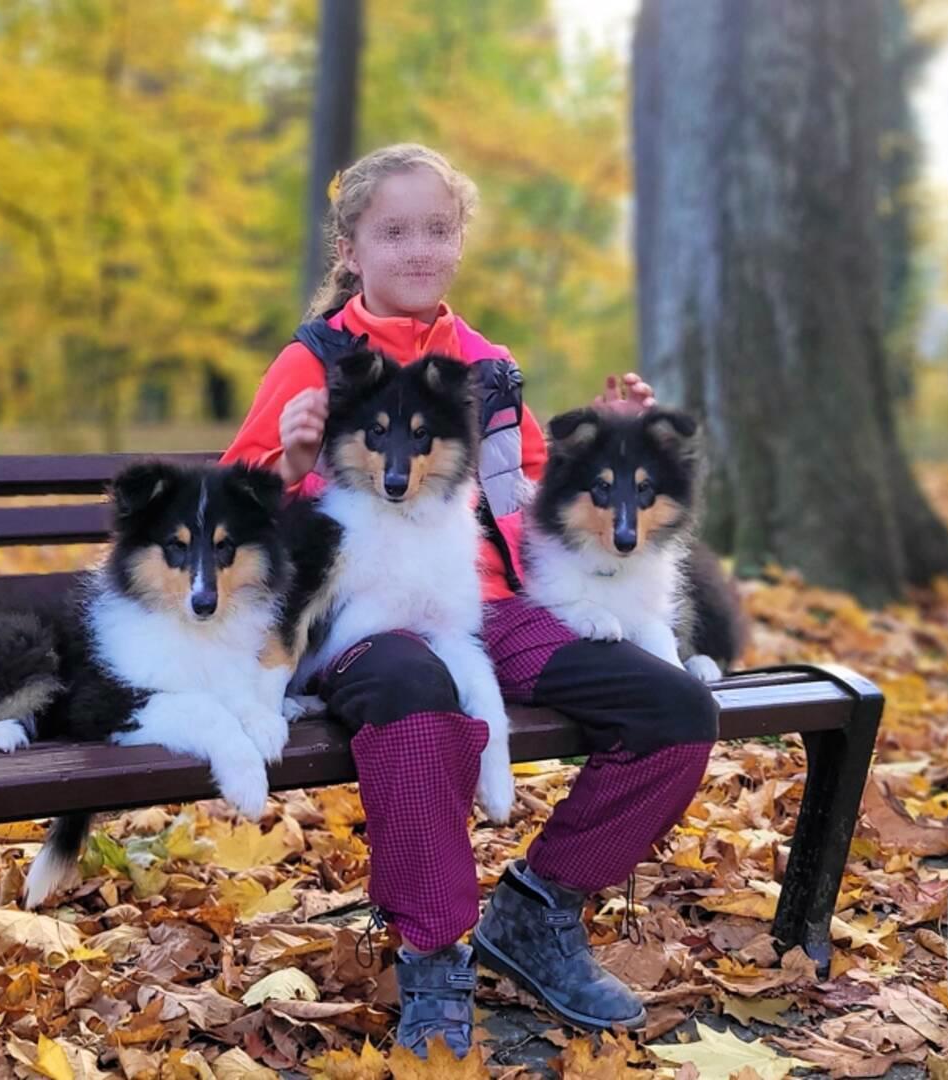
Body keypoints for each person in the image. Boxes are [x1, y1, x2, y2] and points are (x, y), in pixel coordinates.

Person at [221, 143, 718, 1055]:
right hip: (362, 614)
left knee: (676, 709)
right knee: (415, 692)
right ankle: (433, 949)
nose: (419, 250)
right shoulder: (317, 361)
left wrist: (610, 436)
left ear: (459, 241)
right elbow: (232, 495)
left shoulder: (486, 364)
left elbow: (534, 484)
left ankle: (537, 908)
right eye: (394, 232)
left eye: (437, 230)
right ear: (350, 248)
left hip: (495, 604)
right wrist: (287, 463)